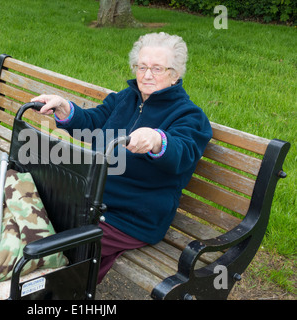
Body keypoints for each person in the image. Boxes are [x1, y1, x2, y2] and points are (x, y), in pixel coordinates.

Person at [31, 32, 213, 283]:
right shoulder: (126, 98)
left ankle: (63, 290)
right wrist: (65, 109)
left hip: (133, 216)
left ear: (175, 74)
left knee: (67, 245)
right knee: (34, 217)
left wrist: (157, 140)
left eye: (157, 68)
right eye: (142, 66)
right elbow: (94, 123)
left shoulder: (189, 116)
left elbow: (182, 153)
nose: (147, 75)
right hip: (93, 199)